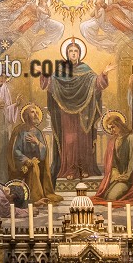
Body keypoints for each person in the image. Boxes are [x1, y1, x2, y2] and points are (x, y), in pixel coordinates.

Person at [38, 38, 109, 181]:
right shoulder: (60, 70)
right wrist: (44, 74)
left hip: (84, 112)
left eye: (76, 51)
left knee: (83, 140)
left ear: (80, 53)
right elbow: (51, 84)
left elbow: (96, 84)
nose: (73, 53)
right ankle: (70, 169)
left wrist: (103, 75)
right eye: (71, 51)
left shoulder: (86, 70)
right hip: (66, 113)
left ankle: (85, 168)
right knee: (69, 141)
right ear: (67, 53)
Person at [8, 104, 59, 205]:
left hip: (35, 162)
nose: (36, 114)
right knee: (33, 167)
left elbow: (44, 152)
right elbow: (15, 150)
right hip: (21, 164)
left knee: (35, 166)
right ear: (26, 115)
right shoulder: (19, 131)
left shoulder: (38, 132)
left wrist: (37, 143)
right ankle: (36, 199)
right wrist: (26, 160)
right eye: (32, 112)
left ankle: (37, 197)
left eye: (36, 112)